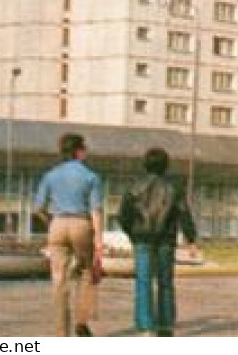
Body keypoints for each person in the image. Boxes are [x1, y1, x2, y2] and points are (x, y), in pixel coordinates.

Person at [117, 147, 198, 337]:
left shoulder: (134, 186)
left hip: (142, 239)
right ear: (166, 165)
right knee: (165, 282)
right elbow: (184, 214)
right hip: (166, 240)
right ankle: (165, 325)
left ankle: (146, 327)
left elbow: (123, 216)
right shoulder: (174, 188)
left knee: (143, 282)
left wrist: (132, 234)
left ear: (145, 165)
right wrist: (191, 239)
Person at [32, 132, 104, 337]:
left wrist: (51, 221)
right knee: (86, 272)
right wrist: (98, 240)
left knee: (59, 279)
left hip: (57, 223)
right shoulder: (91, 176)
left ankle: (61, 333)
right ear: (79, 152)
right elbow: (96, 210)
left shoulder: (50, 175)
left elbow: (38, 207)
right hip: (82, 224)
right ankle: (82, 323)